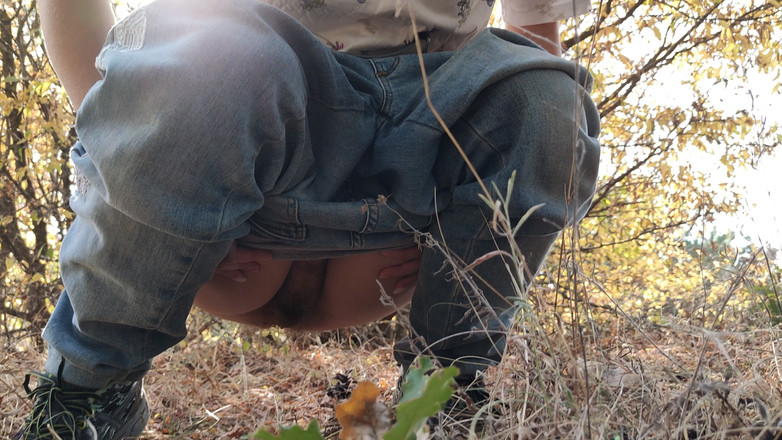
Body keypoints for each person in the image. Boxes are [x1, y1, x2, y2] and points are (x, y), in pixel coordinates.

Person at [16, 0, 600, 438]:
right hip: (237, 157)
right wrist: (146, 165)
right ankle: (86, 393)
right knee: (213, 52)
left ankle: (449, 394)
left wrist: (475, 228)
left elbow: (535, 49)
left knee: (547, 99)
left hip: (416, 177)